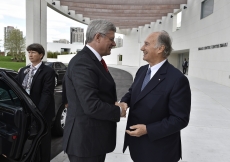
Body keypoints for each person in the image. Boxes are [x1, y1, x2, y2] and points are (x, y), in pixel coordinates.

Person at [120, 31, 191, 162]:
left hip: (159, 152)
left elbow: (180, 119)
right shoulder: (142, 71)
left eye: (146, 44)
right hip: (137, 146)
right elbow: (133, 92)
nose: (142, 48)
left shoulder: (177, 79)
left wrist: (148, 129)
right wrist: (124, 102)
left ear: (160, 48)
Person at [63, 19, 128, 162]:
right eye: (111, 39)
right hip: (85, 143)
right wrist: (118, 110)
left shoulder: (92, 60)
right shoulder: (83, 63)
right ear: (98, 37)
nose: (114, 43)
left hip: (92, 141)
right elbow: (91, 105)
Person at [16, 43, 55, 162]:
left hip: (42, 113)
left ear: (41, 55)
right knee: (29, 141)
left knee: (43, 141)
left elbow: (47, 94)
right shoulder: (24, 70)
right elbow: (18, 89)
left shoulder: (48, 71)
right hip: (26, 111)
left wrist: (37, 113)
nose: (30, 55)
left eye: (33, 52)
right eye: (29, 52)